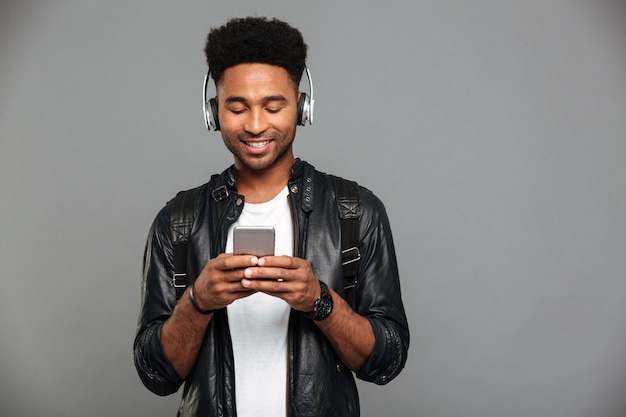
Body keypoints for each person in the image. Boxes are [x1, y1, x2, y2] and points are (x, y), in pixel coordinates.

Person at [134, 16, 409, 417]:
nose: (256, 125)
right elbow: (156, 375)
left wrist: (319, 301)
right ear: (214, 112)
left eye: (273, 106)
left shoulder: (356, 211)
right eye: (237, 107)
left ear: (301, 106)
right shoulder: (178, 222)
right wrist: (198, 301)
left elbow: (387, 361)